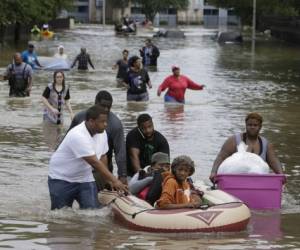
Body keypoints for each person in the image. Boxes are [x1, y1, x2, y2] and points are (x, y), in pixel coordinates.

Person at [48, 105, 128, 210]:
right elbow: (94, 162)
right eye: (102, 122)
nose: (106, 124)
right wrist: (115, 181)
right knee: (60, 216)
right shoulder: (78, 135)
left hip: (85, 178)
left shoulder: (102, 133)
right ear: (91, 121)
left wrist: (107, 180)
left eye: (106, 121)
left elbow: (103, 156)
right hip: (62, 179)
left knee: (92, 214)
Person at [68, 90, 127, 186]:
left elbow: (120, 151)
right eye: (103, 106)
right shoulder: (79, 118)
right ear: (95, 103)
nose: (106, 109)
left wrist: (122, 175)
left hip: (102, 170)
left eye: (109, 107)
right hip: (78, 169)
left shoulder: (115, 125)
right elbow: (66, 142)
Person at [209, 112, 285, 183]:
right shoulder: (233, 141)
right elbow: (221, 157)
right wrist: (213, 172)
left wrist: (281, 175)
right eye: (250, 125)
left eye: (255, 125)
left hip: (257, 182)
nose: (252, 127)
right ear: (245, 125)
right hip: (235, 181)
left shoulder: (266, 144)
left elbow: (274, 161)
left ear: (260, 127)